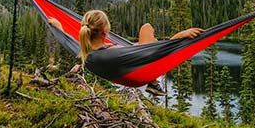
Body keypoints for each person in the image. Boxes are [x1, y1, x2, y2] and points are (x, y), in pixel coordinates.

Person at [48, 9, 204, 96]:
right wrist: (180, 36)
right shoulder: (112, 53)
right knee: (146, 27)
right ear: (105, 32)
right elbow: (158, 54)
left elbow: (67, 39)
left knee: (146, 34)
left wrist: (58, 27)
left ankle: (154, 81)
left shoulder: (84, 50)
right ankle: (153, 81)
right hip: (137, 74)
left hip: (124, 66)